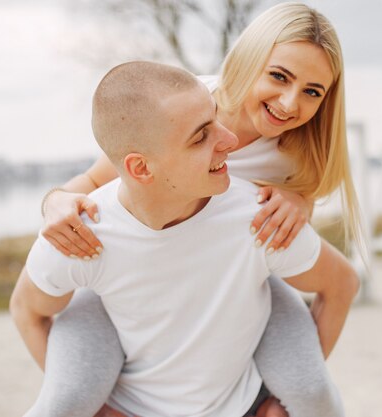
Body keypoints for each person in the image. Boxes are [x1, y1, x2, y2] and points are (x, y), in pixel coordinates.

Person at [26, 2, 362, 416]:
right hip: (140, 269)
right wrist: (54, 201)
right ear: (250, 59)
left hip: (231, 267)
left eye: (313, 91)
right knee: (67, 398)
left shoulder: (299, 148)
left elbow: (299, 226)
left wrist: (300, 202)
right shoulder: (188, 106)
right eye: (279, 76)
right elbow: (98, 180)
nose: (291, 104)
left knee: (313, 391)